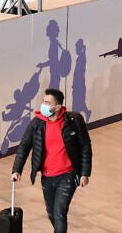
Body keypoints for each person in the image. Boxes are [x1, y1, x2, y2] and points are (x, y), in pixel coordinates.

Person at [11, 89, 92, 233]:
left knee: (60, 213)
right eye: (43, 101)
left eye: (48, 102)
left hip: (68, 175)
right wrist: (16, 170)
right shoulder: (37, 123)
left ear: (58, 107)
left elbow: (85, 146)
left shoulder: (74, 120)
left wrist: (85, 173)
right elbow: (24, 146)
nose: (43, 105)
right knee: (51, 213)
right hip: (47, 177)